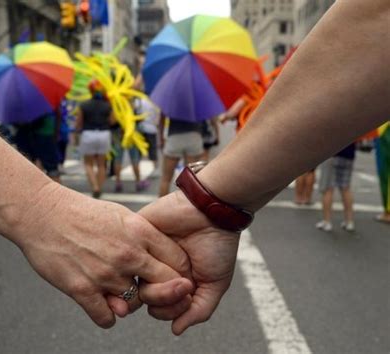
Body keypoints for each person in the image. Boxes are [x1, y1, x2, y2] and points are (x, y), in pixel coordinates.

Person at [136, 0, 389, 335]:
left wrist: (208, 202)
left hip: (182, 147)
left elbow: (377, 23)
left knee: (169, 174)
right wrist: (209, 203)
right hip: (200, 150)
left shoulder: (169, 97)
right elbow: (377, 24)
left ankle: (170, 190)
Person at [0, 43, 193, 329]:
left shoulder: (10, 101)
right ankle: (79, 182)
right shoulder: (47, 100)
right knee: (73, 166)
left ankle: (82, 183)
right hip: (50, 145)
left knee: (78, 164)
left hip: (27, 146)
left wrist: (43, 208)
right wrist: (44, 209)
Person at [76, 80, 114, 198]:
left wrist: (76, 134)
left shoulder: (84, 105)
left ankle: (95, 186)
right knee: (102, 164)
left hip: (88, 134)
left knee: (88, 163)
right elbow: (113, 121)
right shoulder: (108, 105)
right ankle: (99, 186)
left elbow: (79, 123)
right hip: (104, 134)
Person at [158, 115, 204, 196]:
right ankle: (189, 206)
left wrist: (161, 137)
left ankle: (160, 207)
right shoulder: (196, 101)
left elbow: (162, 118)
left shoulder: (171, 102)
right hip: (194, 135)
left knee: (166, 179)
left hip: (174, 136)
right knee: (191, 179)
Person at [316, 143, 356, 232]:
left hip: (332, 154)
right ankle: (349, 222)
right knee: (345, 188)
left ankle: (327, 222)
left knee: (328, 189)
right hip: (349, 155)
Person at [13, 112, 61, 183]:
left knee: (31, 165)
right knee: (51, 168)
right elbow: (57, 114)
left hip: (34, 133)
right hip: (42, 133)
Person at [135, 97, 161, 177]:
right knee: (152, 149)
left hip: (141, 128)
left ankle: (137, 168)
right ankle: (155, 168)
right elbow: (157, 116)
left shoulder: (137, 101)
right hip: (151, 128)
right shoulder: (153, 103)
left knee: (139, 150)